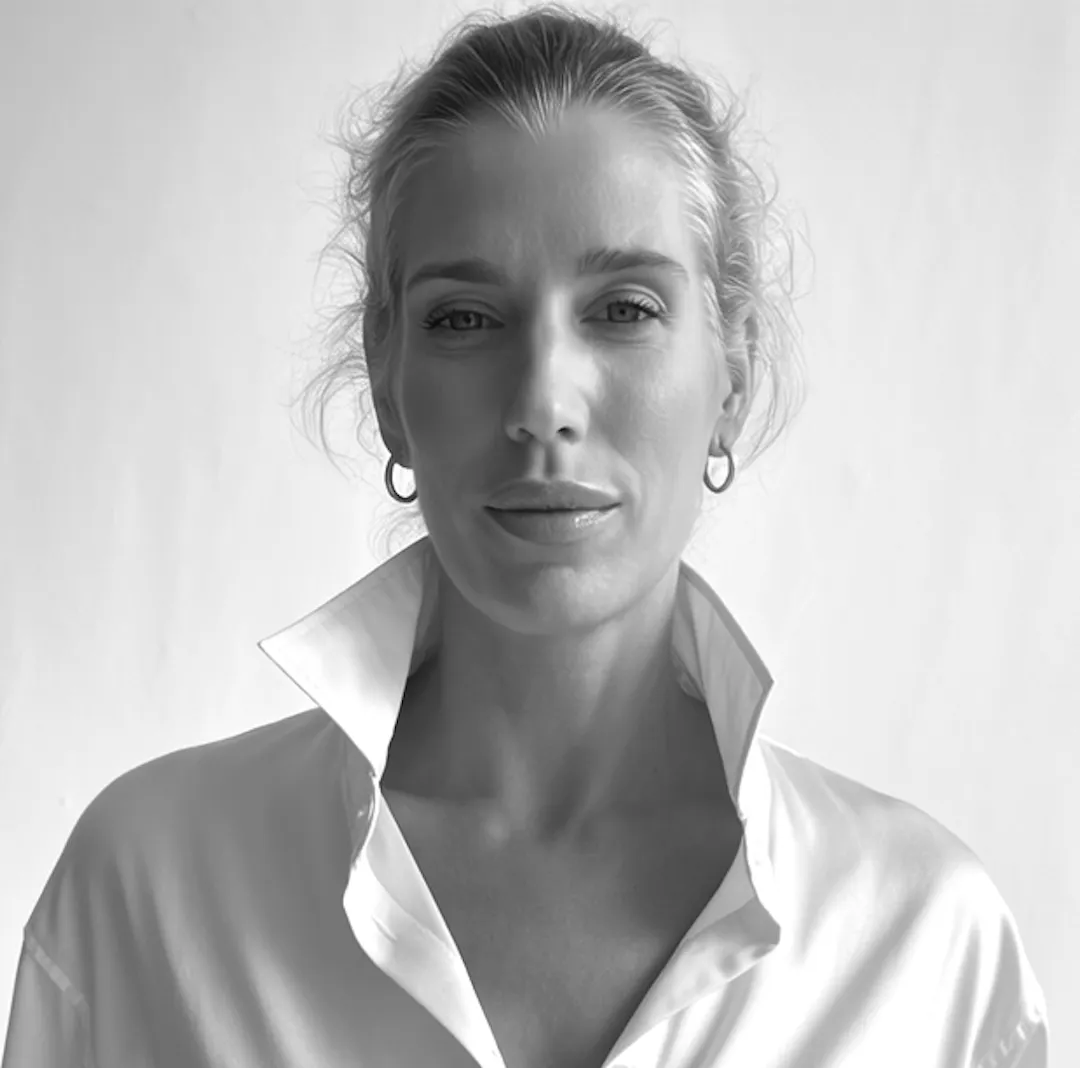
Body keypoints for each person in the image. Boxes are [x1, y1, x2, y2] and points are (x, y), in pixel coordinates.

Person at [2, 4, 1048, 1067]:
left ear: (732, 371)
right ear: (387, 381)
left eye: (625, 309)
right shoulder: (152, 891)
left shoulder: (924, 949)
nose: (544, 400)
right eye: (465, 318)